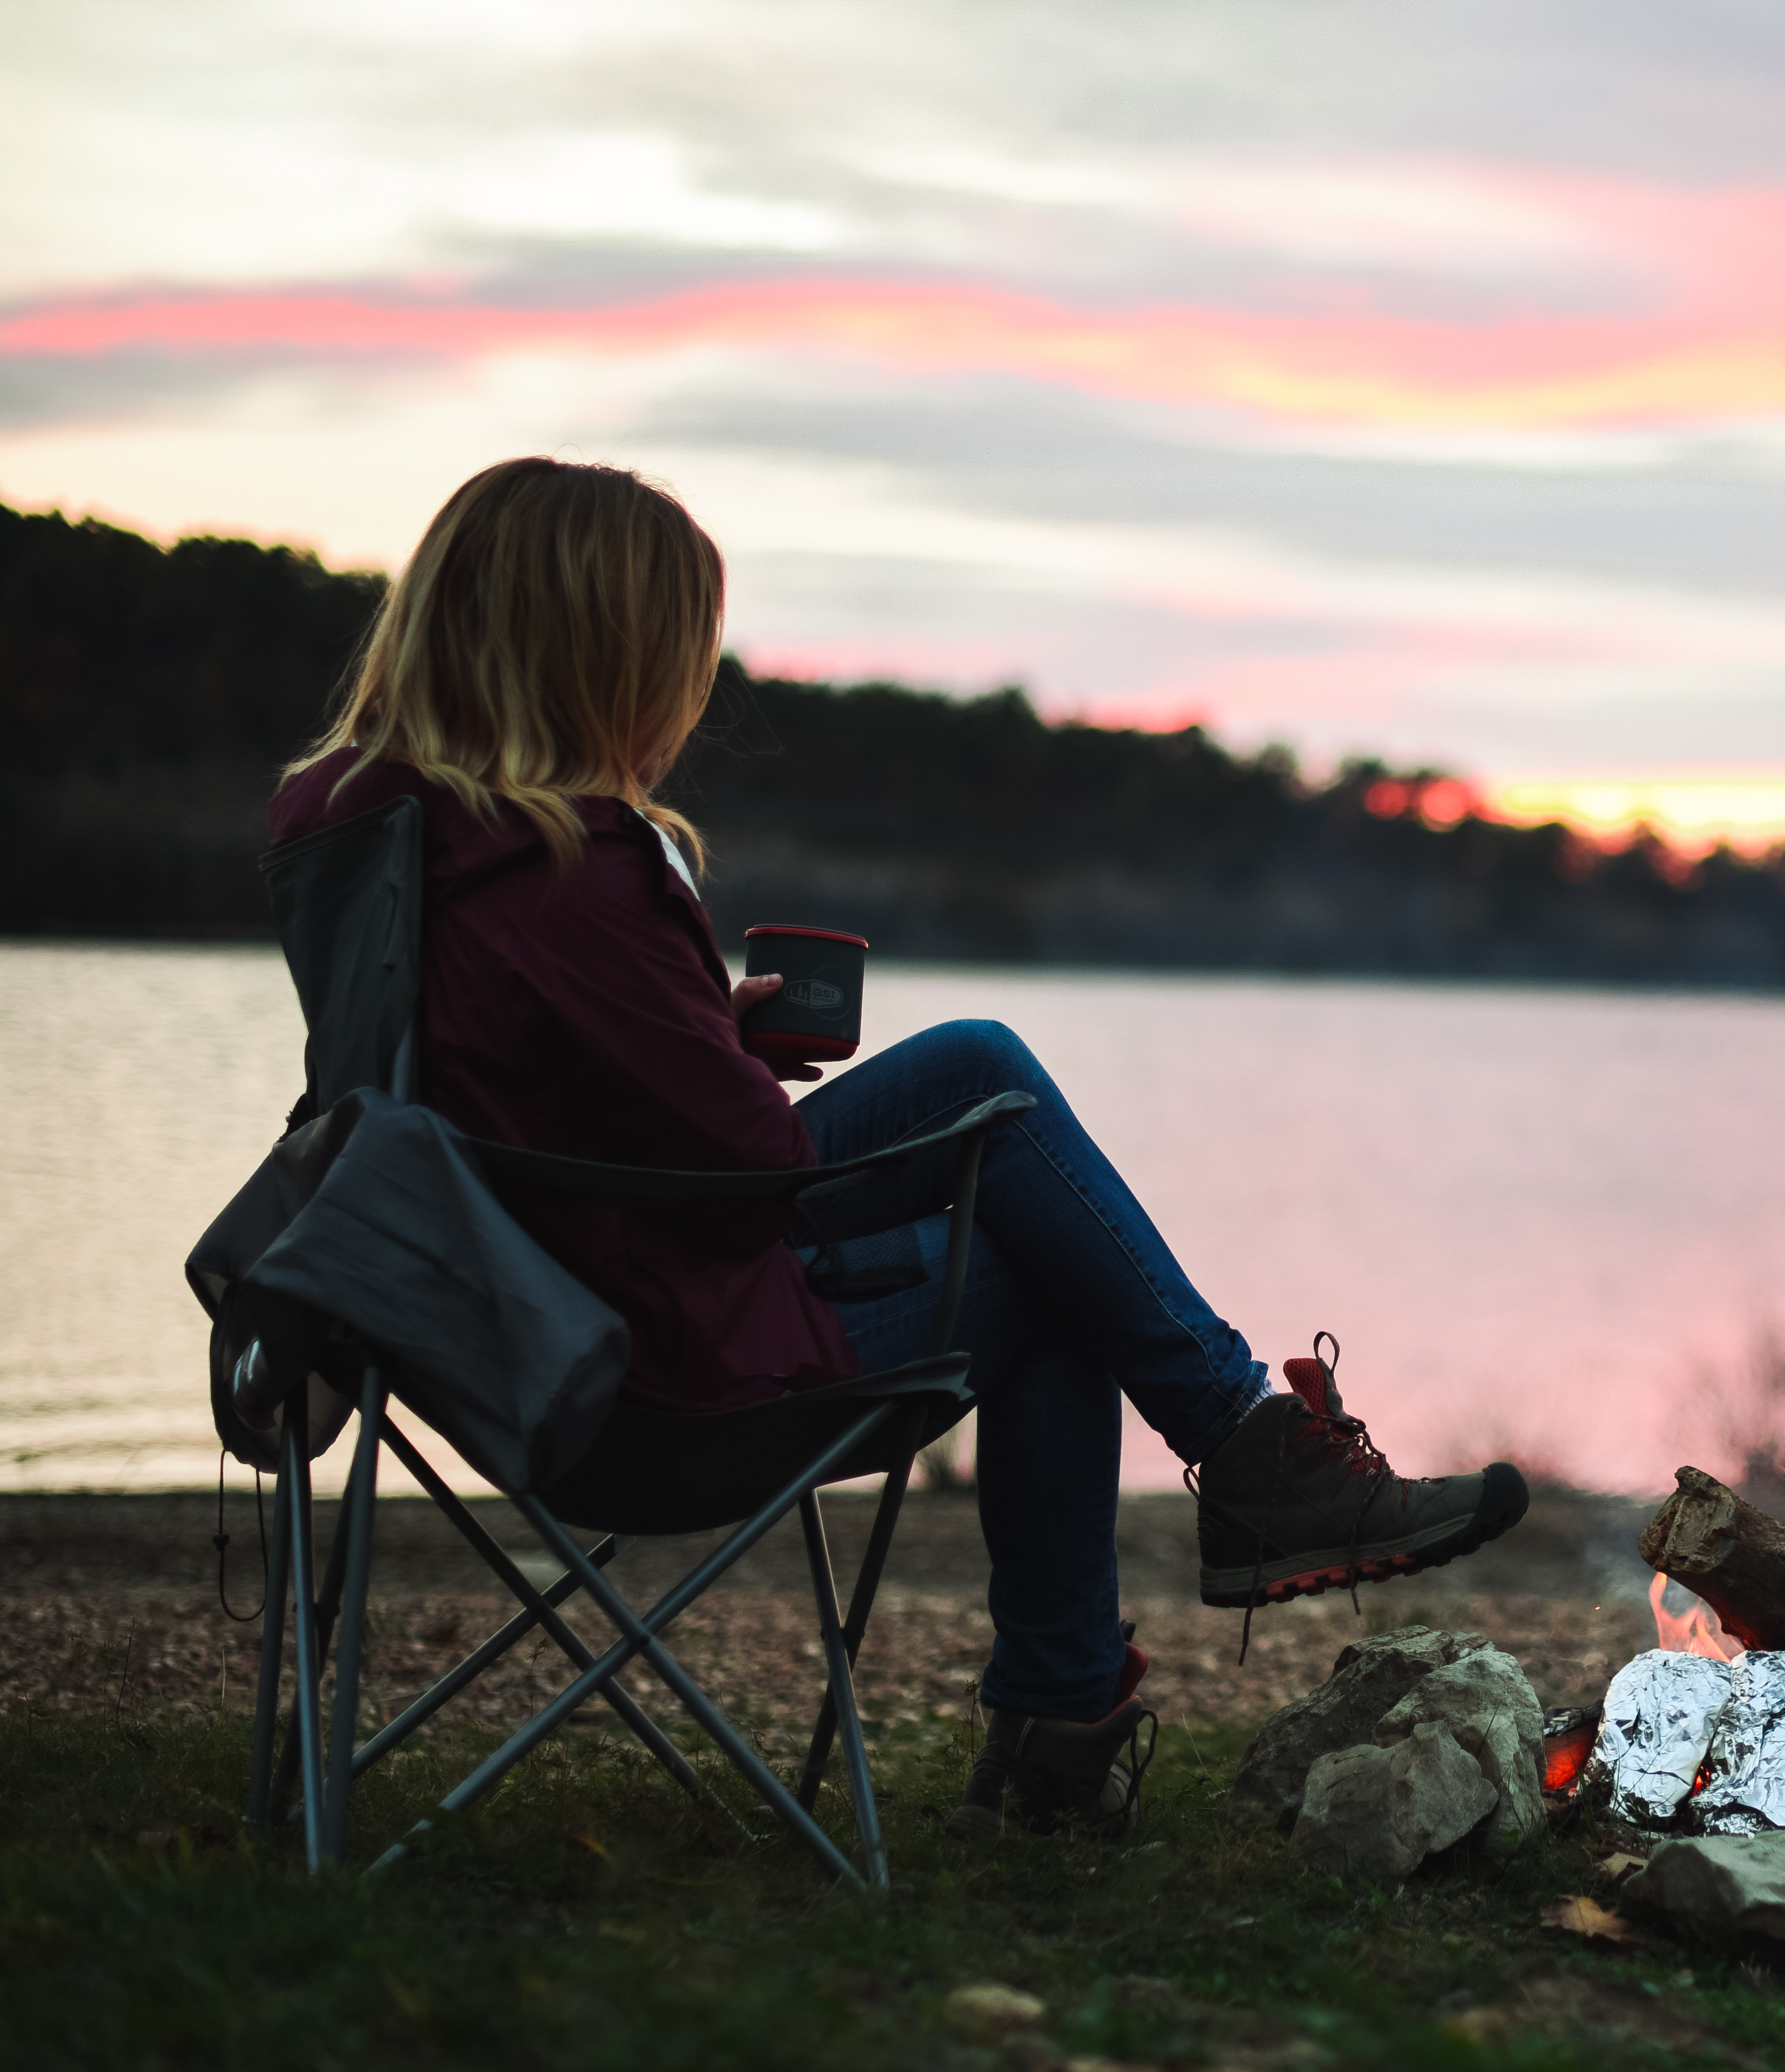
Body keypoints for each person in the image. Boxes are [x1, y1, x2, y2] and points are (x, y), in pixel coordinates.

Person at [268, 457, 1528, 1835]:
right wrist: (721, 1061)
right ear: (600, 657)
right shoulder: (576, 861)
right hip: (650, 1369)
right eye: (676, 653)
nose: (685, 693)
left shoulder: (365, 829)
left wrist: (699, 1037)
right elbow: (750, 1180)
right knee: (1002, 1124)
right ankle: (1226, 1489)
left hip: (490, 1323)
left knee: (1022, 1193)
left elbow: (513, 1086)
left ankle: (1133, 1629)